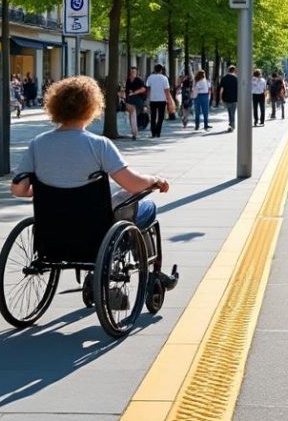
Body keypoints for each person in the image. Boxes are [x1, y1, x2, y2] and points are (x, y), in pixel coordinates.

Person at [11, 76, 176, 292]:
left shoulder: (38, 144)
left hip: (53, 230)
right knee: (146, 209)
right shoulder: (98, 145)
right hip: (95, 231)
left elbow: (19, 189)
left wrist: (49, 188)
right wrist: (155, 180)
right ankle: (150, 275)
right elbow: (133, 184)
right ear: (91, 107)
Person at [145, 64, 172, 138]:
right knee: (161, 117)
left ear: (154, 69)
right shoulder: (164, 78)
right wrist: (169, 100)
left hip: (153, 99)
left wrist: (148, 98)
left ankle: (153, 132)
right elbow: (166, 90)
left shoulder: (150, 77)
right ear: (161, 70)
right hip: (162, 99)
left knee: (153, 117)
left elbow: (148, 89)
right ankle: (158, 132)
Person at [124, 67, 146, 140]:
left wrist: (134, 93)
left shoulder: (138, 80)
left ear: (136, 73)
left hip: (137, 100)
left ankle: (134, 132)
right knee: (131, 116)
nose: (132, 73)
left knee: (133, 115)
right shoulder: (128, 80)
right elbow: (126, 90)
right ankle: (134, 132)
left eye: (134, 72)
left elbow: (143, 89)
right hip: (129, 100)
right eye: (131, 71)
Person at [218, 65, 239, 131]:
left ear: (228, 70)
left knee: (230, 111)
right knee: (233, 111)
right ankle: (232, 124)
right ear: (234, 70)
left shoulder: (224, 78)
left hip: (226, 97)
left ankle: (232, 124)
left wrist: (220, 98)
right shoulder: (236, 78)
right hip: (235, 98)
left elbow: (221, 89)